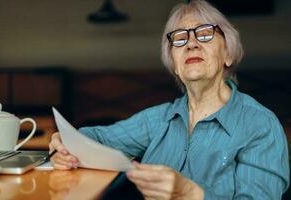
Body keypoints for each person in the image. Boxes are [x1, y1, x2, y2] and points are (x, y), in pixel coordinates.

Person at [49, 0, 290, 199]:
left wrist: (190, 194)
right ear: (174, 64)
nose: (191, 44)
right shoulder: (159, 119)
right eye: (180, 38)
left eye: (205, 33)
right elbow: (99, 138)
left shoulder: (260, 125)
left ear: (227, 54)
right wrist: (65, 143)